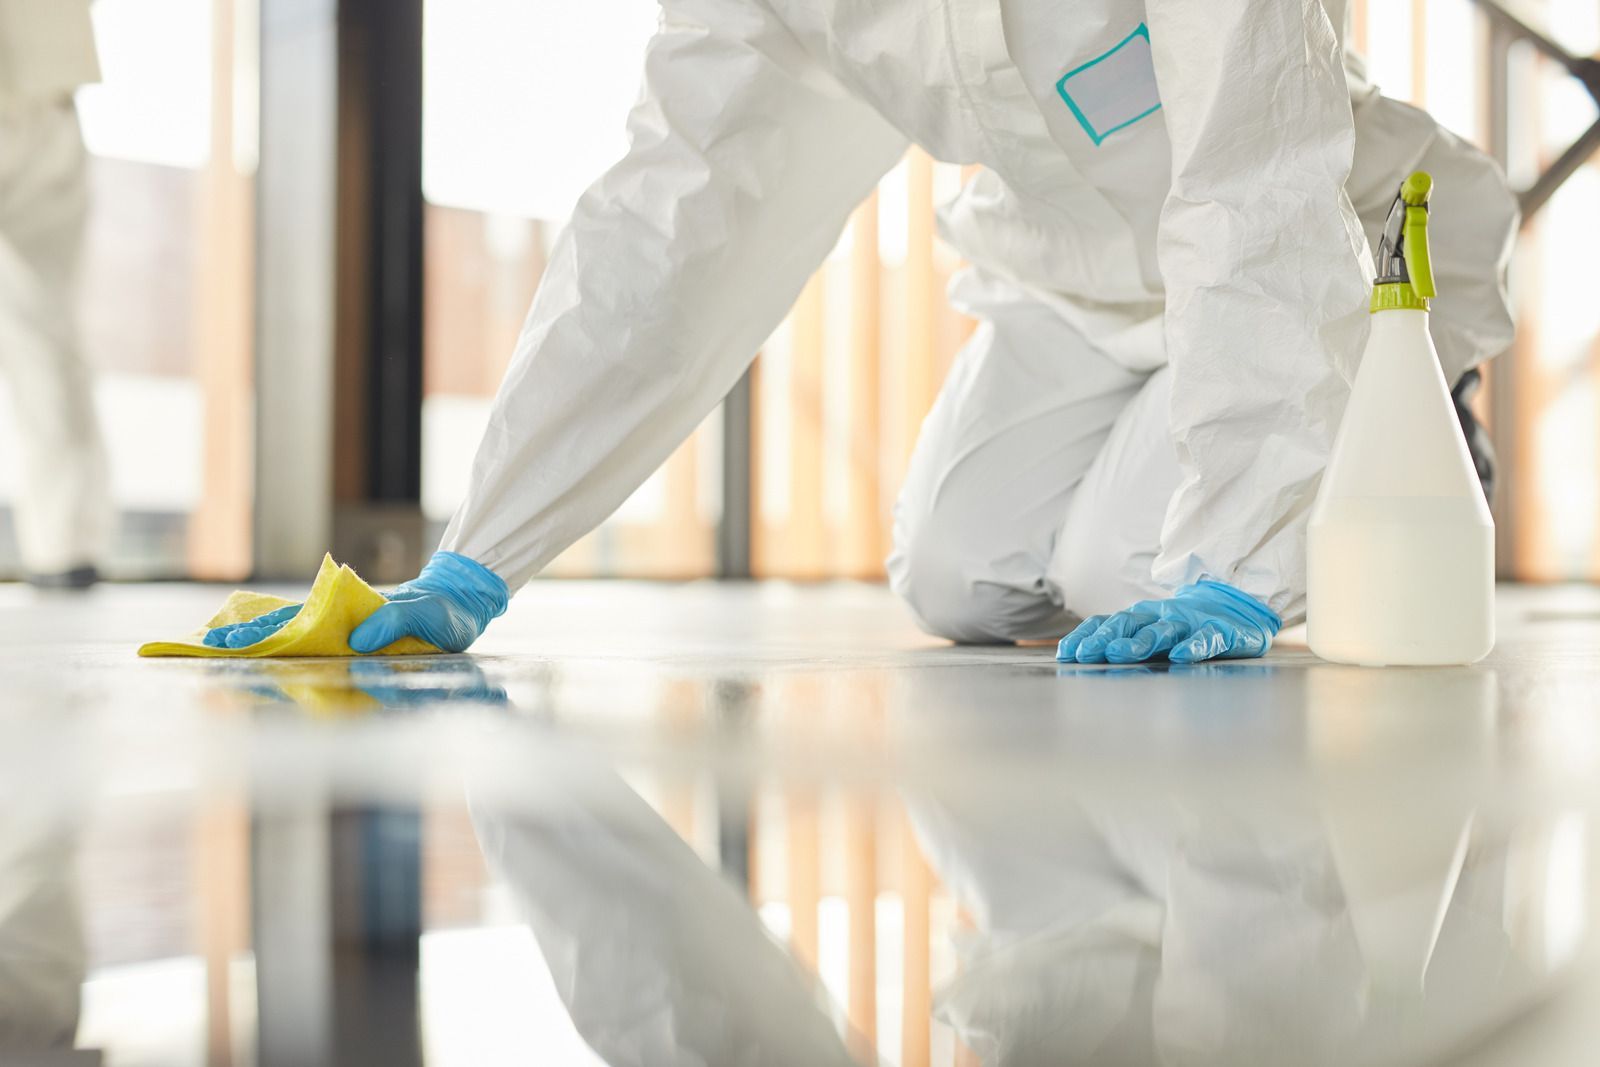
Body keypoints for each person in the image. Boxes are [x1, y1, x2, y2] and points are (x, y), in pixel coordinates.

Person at [210, 0, 1517, 663]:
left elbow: (1252, 176)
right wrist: (479, 557)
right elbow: (677, 221)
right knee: (955, 575)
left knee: (1147, 570)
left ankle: (1411, 433)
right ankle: (1231, 491)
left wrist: (1241, 551)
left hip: (1315, 261)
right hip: (1066, 287)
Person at [0, 0, 109, 588]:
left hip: (44, 95)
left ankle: (67, 547)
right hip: (46, 85)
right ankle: (67, 546)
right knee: (46, 338)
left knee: (46, 337)